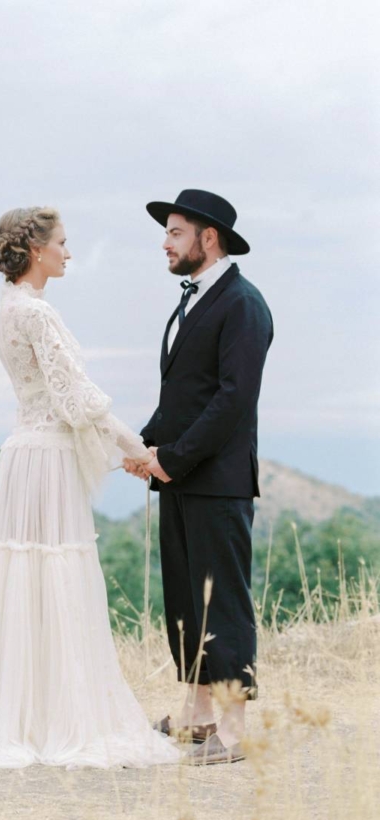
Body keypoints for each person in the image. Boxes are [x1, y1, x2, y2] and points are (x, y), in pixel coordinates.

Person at [0, 207, 179, 769]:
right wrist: (143, 454)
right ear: (36, 249)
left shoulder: (4, 310)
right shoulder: (36, 314)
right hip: (48, 457)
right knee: (55, 574)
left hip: (22, 453)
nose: (69, 252)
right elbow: (79, 400)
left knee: (23, 578)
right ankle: (57, 716)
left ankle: (20, 711)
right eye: (63, 243)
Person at [126, 189, 273, 765]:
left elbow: (233, 400)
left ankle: (235, 731)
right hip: (181, 475)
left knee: (224, 603)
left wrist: (173, 457)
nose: (165, 242)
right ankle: (196, 714)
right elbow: (182, 396)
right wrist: (137, 447)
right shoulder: (191, 303)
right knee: (186, 599)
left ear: (208, 239)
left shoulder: (243, 304)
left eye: (175, 232)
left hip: (218, 480)